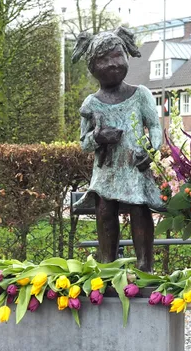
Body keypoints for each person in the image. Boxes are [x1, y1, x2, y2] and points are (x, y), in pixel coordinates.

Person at [72, 27, 163, 273]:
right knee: (105, 213)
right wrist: (98, 137)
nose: (113, 64)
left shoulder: (140, 94)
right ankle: (107, 267)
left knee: (140, 210)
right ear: (92, 67)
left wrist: (151, 151)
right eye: (104, 59)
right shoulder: (91, 104)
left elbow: (155, 127)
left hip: (135, 168)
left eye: (117, 56)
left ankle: (145, 268)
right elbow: (84, 142)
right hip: (107, 172)